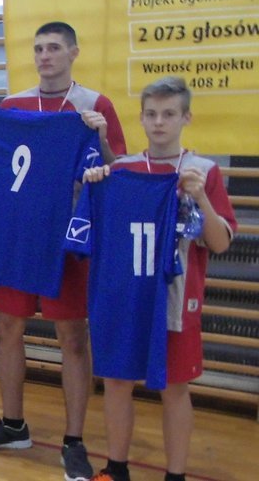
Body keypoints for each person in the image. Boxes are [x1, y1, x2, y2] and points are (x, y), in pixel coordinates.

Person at [0, 22, 126, 481]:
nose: (45, 56)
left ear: (73, 53)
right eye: (38, 49)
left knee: (72, 337)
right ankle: (13, 424)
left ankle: (74, 440)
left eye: (53, 48)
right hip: (15, 238)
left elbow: (116, 173)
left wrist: (100, 138)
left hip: (67, 241)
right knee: (7, 326)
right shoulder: (12, 106)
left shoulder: (95, 105)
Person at [82, 77, 236, 481]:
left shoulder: (204, 171)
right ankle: (116, 468)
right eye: (151, 114)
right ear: (141, 118)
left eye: (169, 114)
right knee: (117, 381)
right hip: (127, 295)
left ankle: (175, 475)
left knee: (175, 388)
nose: (159, 122)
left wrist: (200, 197)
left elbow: (220, 243)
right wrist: (96, 182)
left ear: (186, 117)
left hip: (175, 300)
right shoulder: (122, 170)